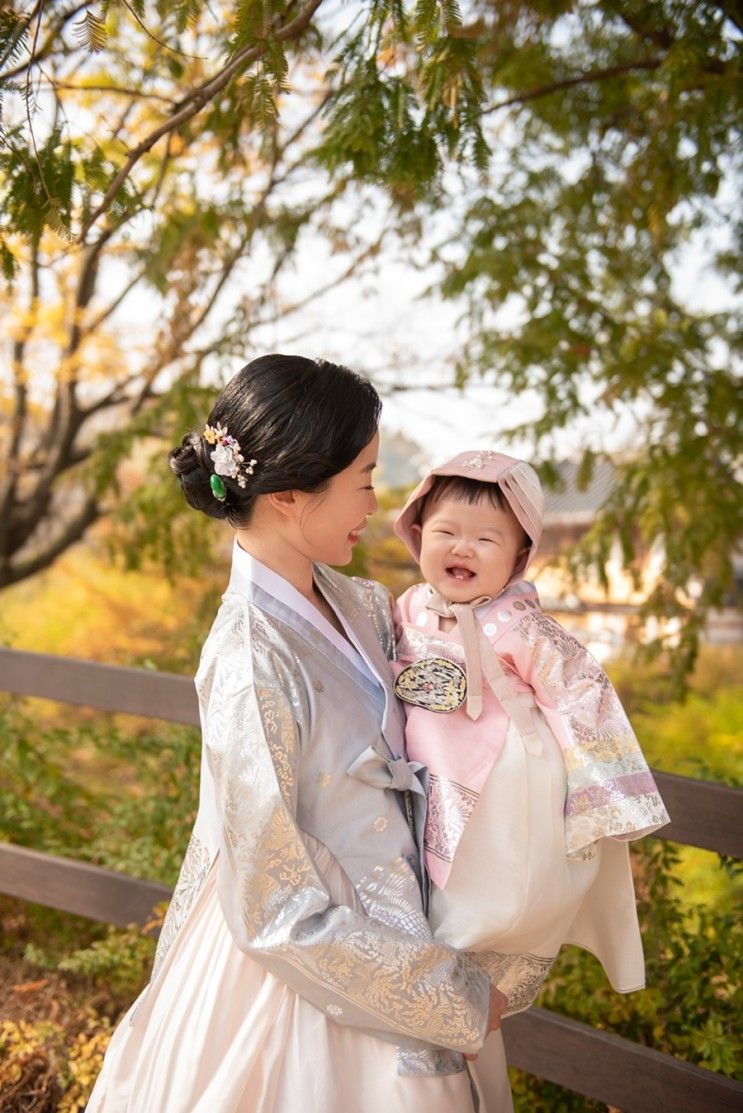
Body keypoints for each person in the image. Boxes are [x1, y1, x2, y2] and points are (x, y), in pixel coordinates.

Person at [86, 357, 507, 1113]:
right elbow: (272, 907)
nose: (375, 505)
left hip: (400, 924)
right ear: (286, 494)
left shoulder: (358, 600)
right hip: (307, 968)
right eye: (365, 478)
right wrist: (448, 995)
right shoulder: (250, 659)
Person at [392, 449, 670, 1100]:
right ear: (416, 533)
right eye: (445, 531)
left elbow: (580, 693)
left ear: (517, 554)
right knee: (427, 912)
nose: (462, 546)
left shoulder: (519, 625)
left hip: (504, 794)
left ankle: (467, 1021)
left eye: (486, 537)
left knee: (484, 910)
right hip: (430, 784)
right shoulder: (405, 609)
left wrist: (604, 796)